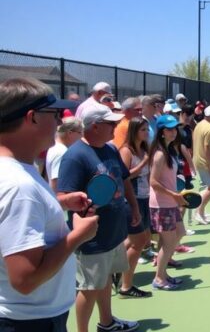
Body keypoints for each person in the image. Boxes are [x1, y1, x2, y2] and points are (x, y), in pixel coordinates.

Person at [0, 78, 99, 332]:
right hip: (29, 322)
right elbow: (25, 278)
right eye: (54, 114)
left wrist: (60, 202)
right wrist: (78, 236)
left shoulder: (16, 171)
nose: (60, 122)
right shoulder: (19, 186)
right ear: (32, 118)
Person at [57, 103, 141, 332]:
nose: (116, 126)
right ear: (95, 126)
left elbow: (124, 180)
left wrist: (133, 207)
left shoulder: (110, 149)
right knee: (89, 288)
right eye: (111, 123)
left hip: (114, 231)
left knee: (104, 280)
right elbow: (63, 196)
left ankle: (107, 322)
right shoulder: (75, 157)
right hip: (92, 237)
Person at [148, 115, 188, 291]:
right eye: (170, 129)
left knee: (180, 232)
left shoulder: (171, 150)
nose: (174, 132)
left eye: (175, 128)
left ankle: (162, 271)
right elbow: (154, 182)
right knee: (169, 242)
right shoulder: (158, 154)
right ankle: (159, 278)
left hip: (171, 202)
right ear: (162, 132)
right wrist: (174, 194)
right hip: (161, 204)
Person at [116, 117, 153, 298]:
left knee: (137, 239)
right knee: (138, 242)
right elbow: (124, 176)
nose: (147, 133)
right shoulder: (126, 151)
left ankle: (113, 269)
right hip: (132, 200)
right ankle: (126, 285)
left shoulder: (144, 149)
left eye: (147, 129)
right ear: (134, 131)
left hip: (144, 198)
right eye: (143, 130)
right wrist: (144, 163)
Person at [191, 105, 210, 225]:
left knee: (209, 187)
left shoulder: (199, 124)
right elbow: (207, 148)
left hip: (198, 160)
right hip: (205, 162)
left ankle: (201, 211)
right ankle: (198, 211)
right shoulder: (209, 129)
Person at [46, 117, 84, 191]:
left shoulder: (55, 147)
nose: (82, 136)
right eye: (80, 132)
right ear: (70, 133)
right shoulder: (62, 152)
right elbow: (55, 181)